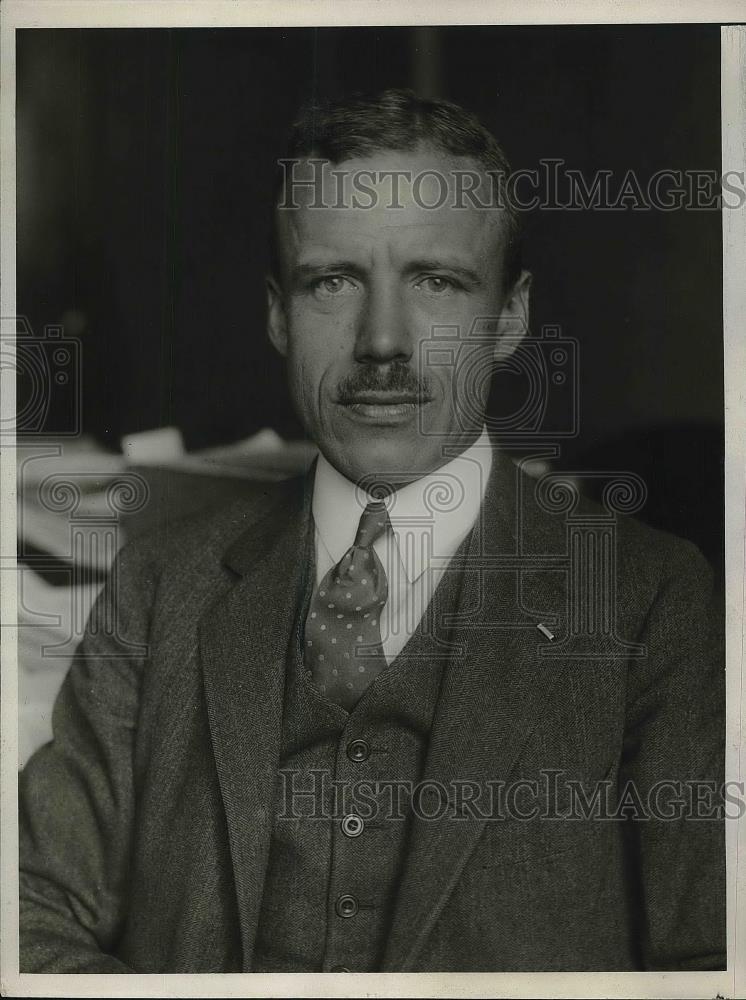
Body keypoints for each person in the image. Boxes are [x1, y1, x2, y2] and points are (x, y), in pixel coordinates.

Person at [19, 88, 725, 973]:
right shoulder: (159, 585)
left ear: (510, 316)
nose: (382, 341)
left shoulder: (653, 601)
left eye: (435, 281)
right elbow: (28, 911)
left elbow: (709, 969)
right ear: (279, 313)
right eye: (333, 281)